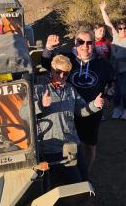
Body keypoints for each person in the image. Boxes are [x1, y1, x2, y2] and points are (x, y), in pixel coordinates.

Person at [42, 28, 115, 175]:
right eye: (81, 42)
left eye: (89, 42)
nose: (85, 46)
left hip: (91, 111)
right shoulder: (66, 58)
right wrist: (49, 48)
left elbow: (112, 83)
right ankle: (70, 175)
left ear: (94, 44)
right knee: (68, 144)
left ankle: (85, 175)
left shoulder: (103, 63)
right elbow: (46, 64)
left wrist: (107, 98)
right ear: (75, 42)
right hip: (67, 110)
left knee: (89, 146)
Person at [32, 54, 105, 188]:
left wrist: (95, 104)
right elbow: (24, 114)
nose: (61, 76)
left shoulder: (70, 89)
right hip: (53, 148)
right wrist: (42, 105)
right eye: (58, 72)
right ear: (52, 70)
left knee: (84, 176)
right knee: (75, 183)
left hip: (73, 144)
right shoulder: (39, 89)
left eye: (65, 74)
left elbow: (81, 110)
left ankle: (85, 198)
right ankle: (79, 204)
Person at [99, 1, 126, 120]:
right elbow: (108, 23)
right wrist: (103, 10)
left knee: (124, 91)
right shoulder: (115, 36)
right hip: (114, 69)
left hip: (125, 70)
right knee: (115, 91)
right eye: (120, 28)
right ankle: (117, 109)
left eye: (125, 28)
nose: (123, 30)